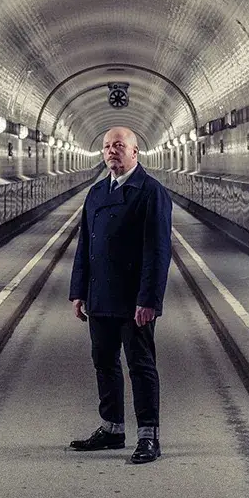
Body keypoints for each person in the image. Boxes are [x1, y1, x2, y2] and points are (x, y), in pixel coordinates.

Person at [68, 126, 173, 464]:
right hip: (100, 296)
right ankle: (112, 429)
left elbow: (158, 252)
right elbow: (86, 247)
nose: (112, 151)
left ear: (135, 153)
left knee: (140, 365)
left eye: (119, 146)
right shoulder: (96, 193)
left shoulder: (151, 192)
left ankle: (149, 436)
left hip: (133, 299)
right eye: (107, 146)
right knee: (104, 362)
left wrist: (150, 300)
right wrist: (78, 291)